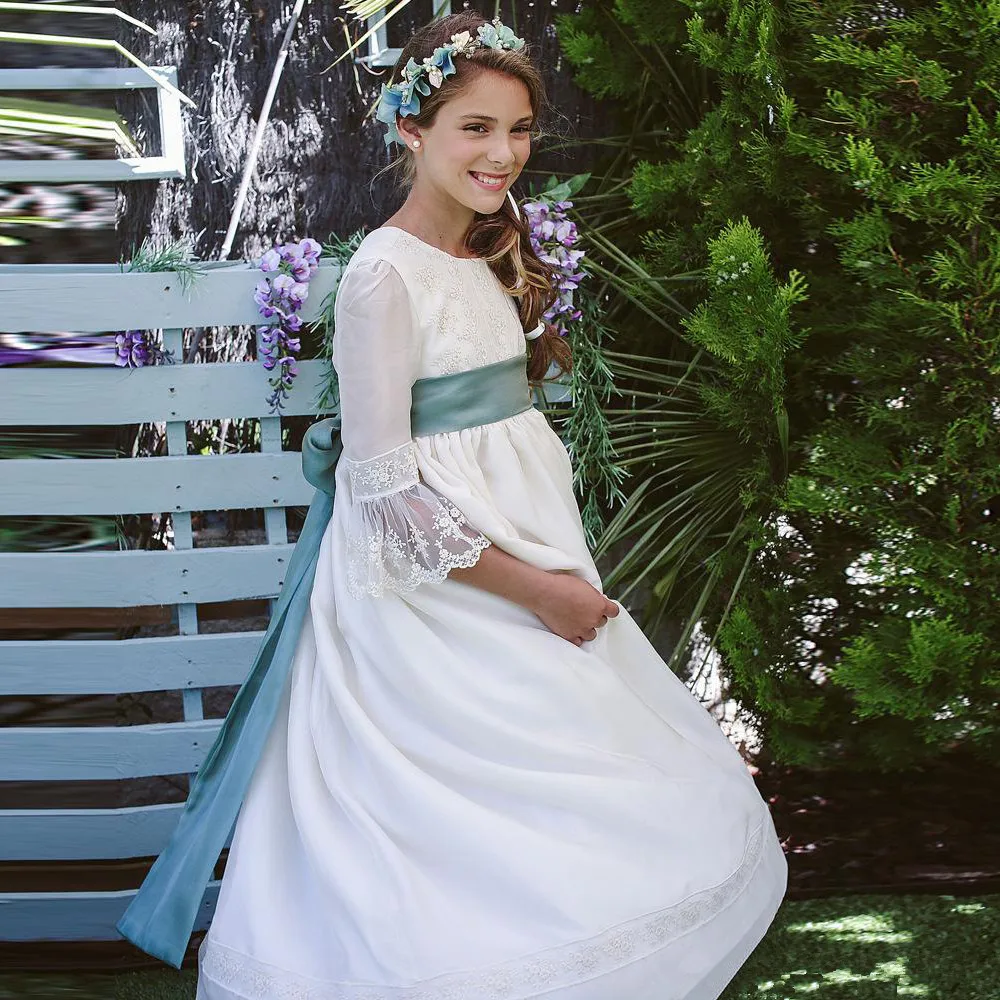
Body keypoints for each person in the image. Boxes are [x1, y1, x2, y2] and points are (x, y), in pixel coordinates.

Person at [119, 10, 788, 999]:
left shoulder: (477, 251)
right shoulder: (381, 277)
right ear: (411, 131)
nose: (503, 153)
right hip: (435, 586)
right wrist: (538, 591)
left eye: (517, 130)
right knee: (455, 801)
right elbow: (383, 483)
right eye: (474, 127)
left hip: (515, 540)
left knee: (580, 755)